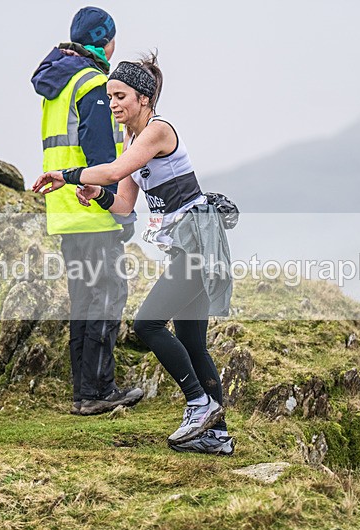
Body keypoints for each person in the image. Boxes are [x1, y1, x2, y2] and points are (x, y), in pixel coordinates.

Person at [33, 54, 235, 455]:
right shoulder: (132, 140)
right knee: (193, 343)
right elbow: (124, 201)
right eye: (109, 97)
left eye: (120, 96)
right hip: (185, 246)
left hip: (199, 244)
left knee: (147, 324)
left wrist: (67, 175)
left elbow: (110, 170)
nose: (113, 104)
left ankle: (199, 403)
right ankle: (216, 436)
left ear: (144, 98)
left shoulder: (158, 131)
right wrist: (97, 196)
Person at [31, 7, 142, 416]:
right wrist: (119, 210)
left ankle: (84, 394)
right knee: (108, 296)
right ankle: (98, 392)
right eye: (113, 38)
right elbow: (101, 155)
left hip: (64, 210)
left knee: (84, 300)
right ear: (105, 40)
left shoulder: (59, 80)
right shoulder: (93, 82)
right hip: (90, 205)